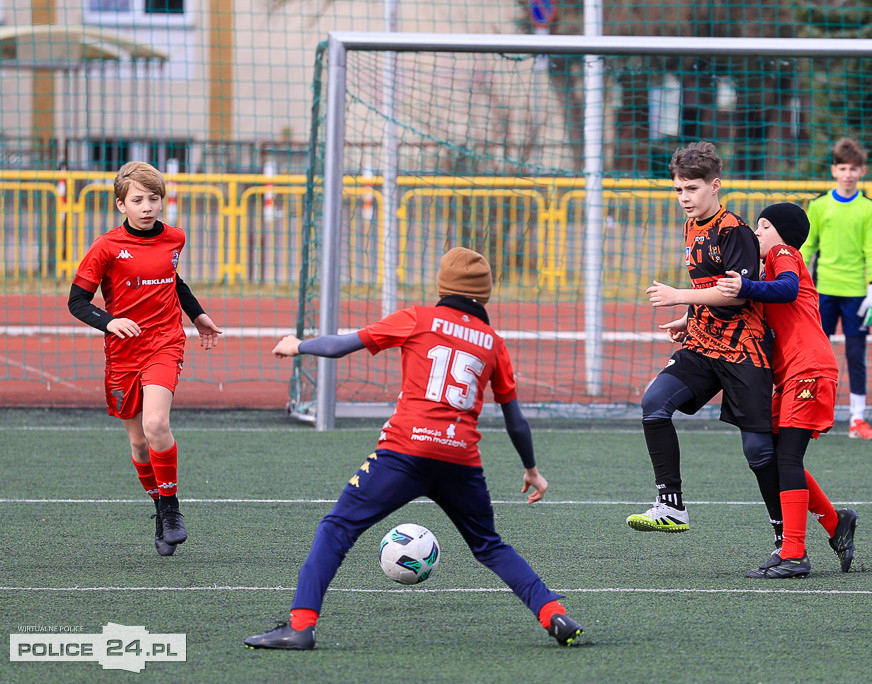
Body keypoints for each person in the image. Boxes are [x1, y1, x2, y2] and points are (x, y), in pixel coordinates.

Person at [244, 247, 584, 650]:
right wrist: (531, 469)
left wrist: (298, 345)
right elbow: (515, 419)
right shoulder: (493, 342)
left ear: (442, 284)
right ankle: (554, 613)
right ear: (486, 293)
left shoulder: (417, 318)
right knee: (489, 546)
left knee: (337, 528)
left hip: (405, 452)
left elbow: (339, 346)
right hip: (461, 459)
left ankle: (300, 627)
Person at [631, 141, 786, 551]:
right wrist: (688, 319)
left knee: (758, 451)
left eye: (692, 189)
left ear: (715, 186)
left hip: (743, 351)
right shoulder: (691, 225)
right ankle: (672, 505)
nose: (684, 198)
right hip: (702, 344)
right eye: (679, 189)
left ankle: (785, 534)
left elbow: (736, 295)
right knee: (653, 403)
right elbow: (708, 291)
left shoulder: (733, 230)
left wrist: (679, 296)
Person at [67, 161, 222, 557]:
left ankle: (171, 510)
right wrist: (110, 321)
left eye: (154, 198)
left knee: (156, 424)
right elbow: (77, 302)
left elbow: (175, 282)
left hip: (164, 343)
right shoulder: (105, 247)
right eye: (138, 199)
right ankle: (158, 507)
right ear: (122, 205)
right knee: (138, 445)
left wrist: (198, 316)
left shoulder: (175, 238)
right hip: (122, 353)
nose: (147, 206)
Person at [716, 203, 858, 578]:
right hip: (794, 375)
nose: (757, 233)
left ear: (782, 234)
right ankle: (834, 522)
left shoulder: (784, 254)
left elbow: (788, 289)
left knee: (787, 459)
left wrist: (746, 285)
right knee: (781, 454)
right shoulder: (770, 270)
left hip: (808, 370)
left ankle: (794, 553)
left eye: (764, 226)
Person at [804, 138, 872, 440]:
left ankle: (857, 420)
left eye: (853, 169)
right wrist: (795, 278)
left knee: (855, 354)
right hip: (823, 292)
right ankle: (810, 415)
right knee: (815, 356)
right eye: (842, 168)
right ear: (833, 170)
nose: (848, 174)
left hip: (856, 295)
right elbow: (809, 245)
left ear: (861, 171)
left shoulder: (867, 209)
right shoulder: (819, 206)